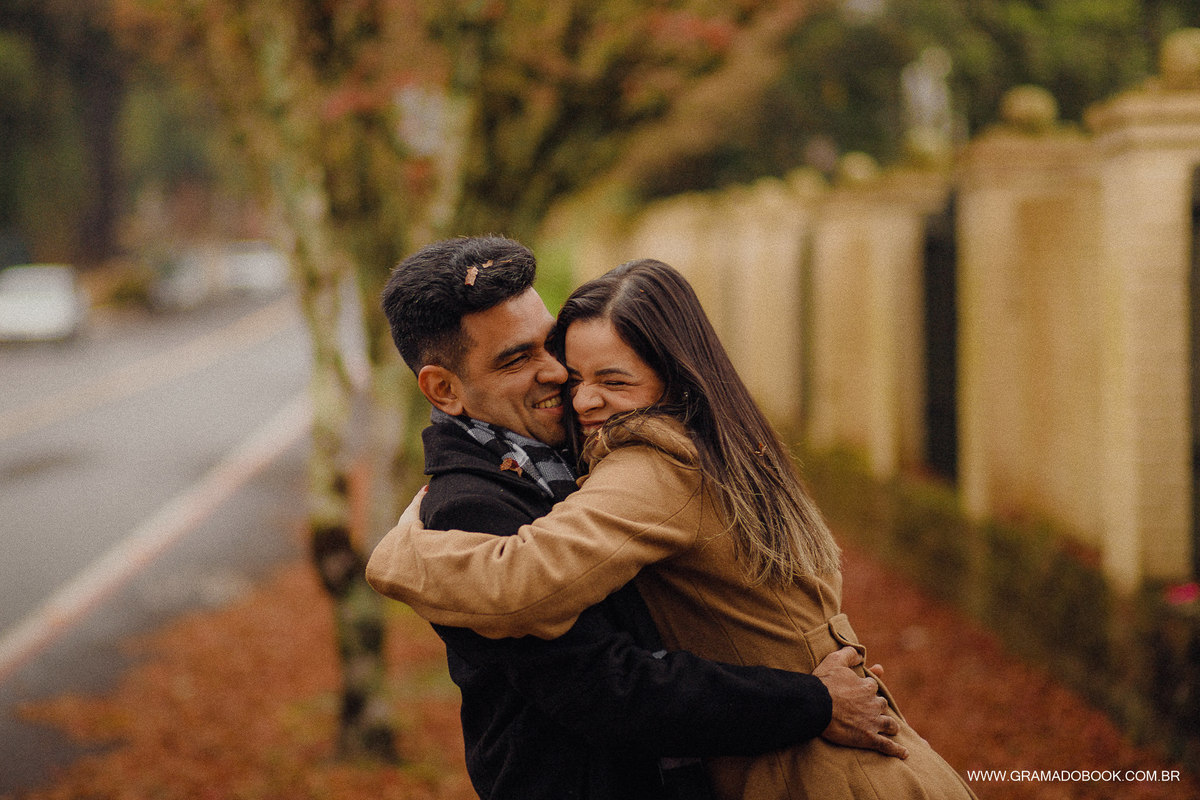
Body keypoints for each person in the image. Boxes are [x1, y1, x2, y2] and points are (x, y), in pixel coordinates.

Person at [369, 257, 979, 799]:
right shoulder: (707, 443)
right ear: (443, 389)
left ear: (673, 375)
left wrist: (398, 554)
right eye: (521, 358)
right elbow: (605, 686)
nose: (565, 384)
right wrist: (812, 701)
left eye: (609, 378)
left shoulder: (651, 467)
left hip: (823, 773)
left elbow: (525, 580)